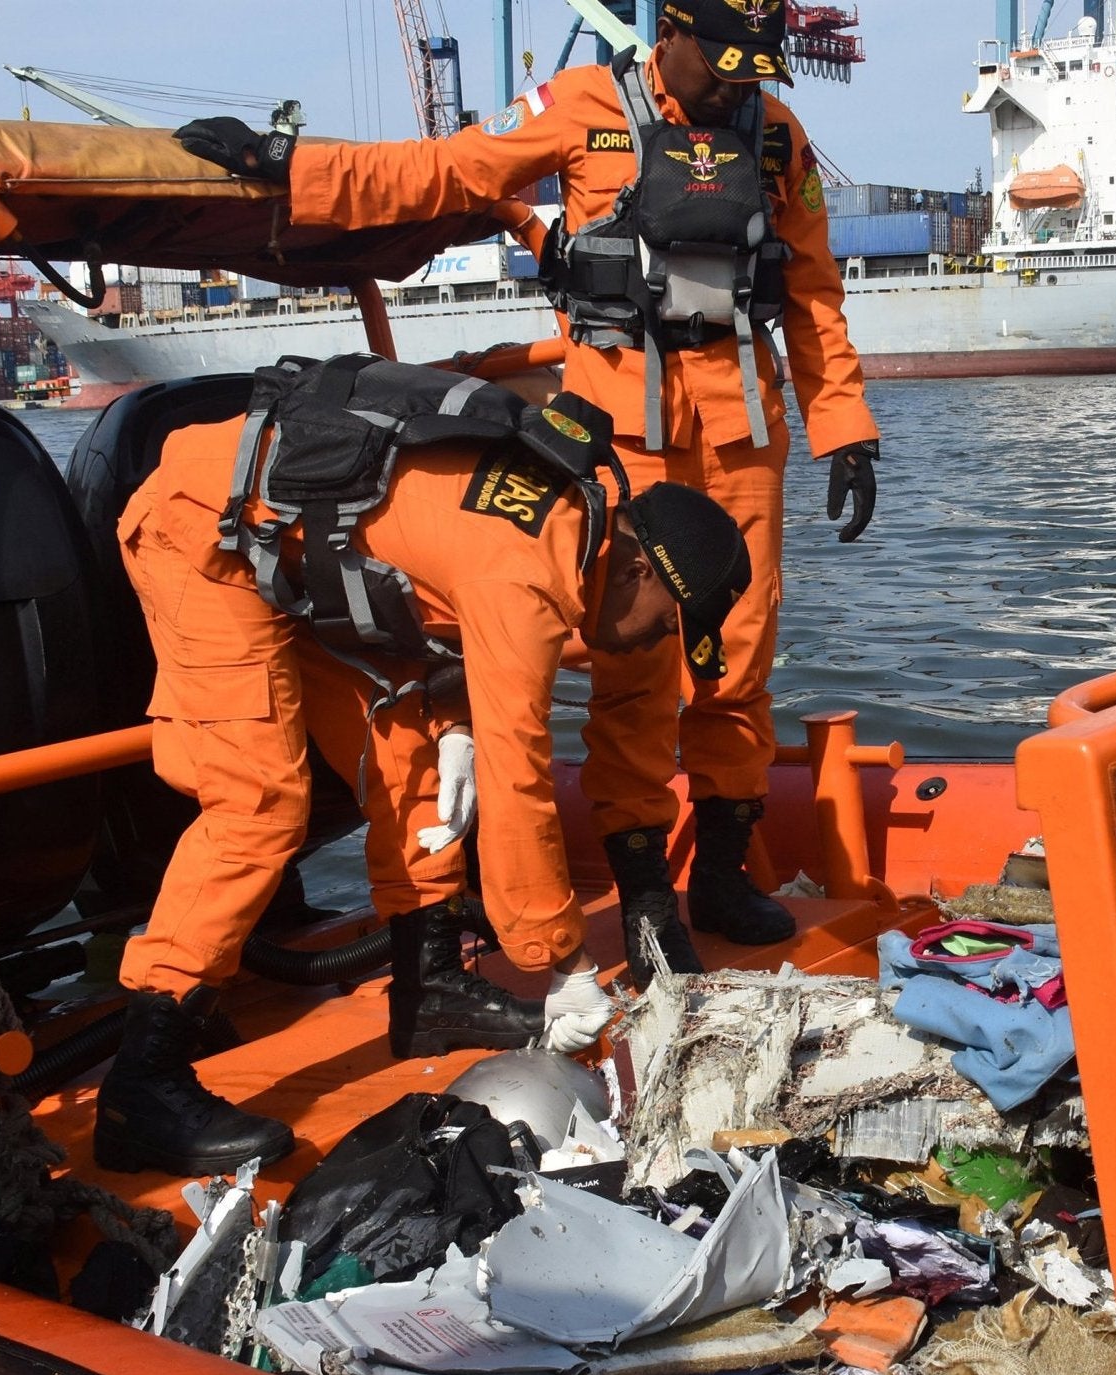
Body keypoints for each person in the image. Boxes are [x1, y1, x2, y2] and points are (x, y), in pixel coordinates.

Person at [177, 0, 882, 988]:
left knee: (734, 663)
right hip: (615, 436)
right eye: (718, 65)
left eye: (748, 69)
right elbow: (446, 169)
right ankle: (643, 896)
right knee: (632, 671)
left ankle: (720, 869)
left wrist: (844, 428)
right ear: (664, 34)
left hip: (741, 433)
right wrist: (294, 168)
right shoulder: (579, 105)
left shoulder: (774, 137)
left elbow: (808, 291)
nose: (733, 86)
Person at [100, 383, 750, 1176]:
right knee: (259, 801)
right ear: (639, 569)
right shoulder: (528, 571)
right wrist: (565, 962)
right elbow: (521, 778)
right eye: (663, 623)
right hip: (204, 534)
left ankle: (428, 987)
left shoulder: (582, 535)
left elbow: (440, 586)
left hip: (291, 547)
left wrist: (463, 723)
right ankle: (143, 1080)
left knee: (410, 737)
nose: (654, 642)